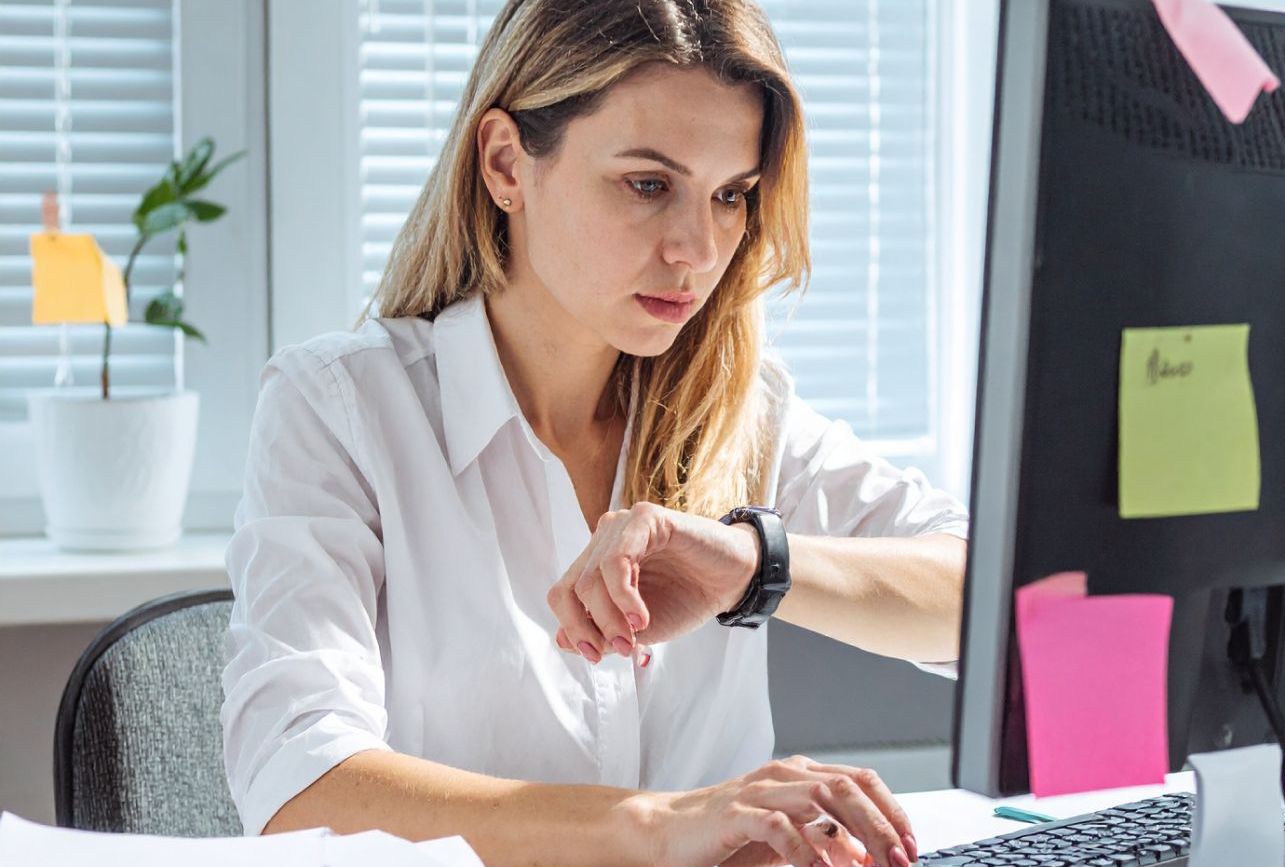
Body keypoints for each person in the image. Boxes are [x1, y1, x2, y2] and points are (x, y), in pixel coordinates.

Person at [220, 1, 969, 865]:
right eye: (649, 184)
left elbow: (990, 604)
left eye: (730, 195)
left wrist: (756, 564)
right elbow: (299, 786)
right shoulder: (340, 410)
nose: (697, 246)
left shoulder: (738, 413)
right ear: (507, 164)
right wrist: (661, 824)